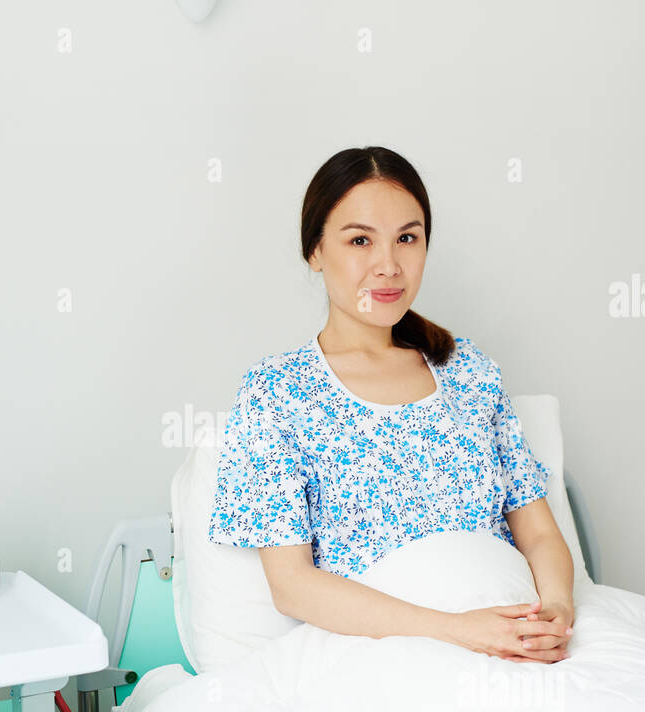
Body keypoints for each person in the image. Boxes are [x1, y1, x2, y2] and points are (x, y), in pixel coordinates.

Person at [207, 146, 573, 664]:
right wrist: (456, 631)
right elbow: (292, 585)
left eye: (408, 238)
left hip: (519, 638)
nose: (388, 265)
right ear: (315, 251)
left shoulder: (468, 372)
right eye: (360, 240)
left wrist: (556, 609)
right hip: (387, 655)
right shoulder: (277, 392)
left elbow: (537, 532)